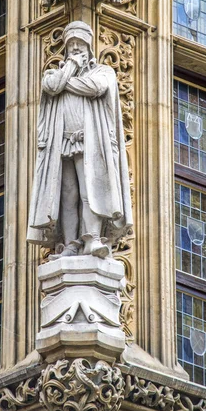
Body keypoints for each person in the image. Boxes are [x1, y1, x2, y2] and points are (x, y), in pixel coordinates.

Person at [27, 21, 132, 259]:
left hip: (90, 142)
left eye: (80, 44)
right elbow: (51, 85)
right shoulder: (54, 74)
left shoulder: (103, 72)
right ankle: (71, 243)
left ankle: (93, 239)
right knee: (68, 193)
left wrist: (65, 82)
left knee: (89, 190)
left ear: (89, 47)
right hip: (62, 144)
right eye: (71, 44)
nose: (75, 48)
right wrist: (69, 71)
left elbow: (95, 88)